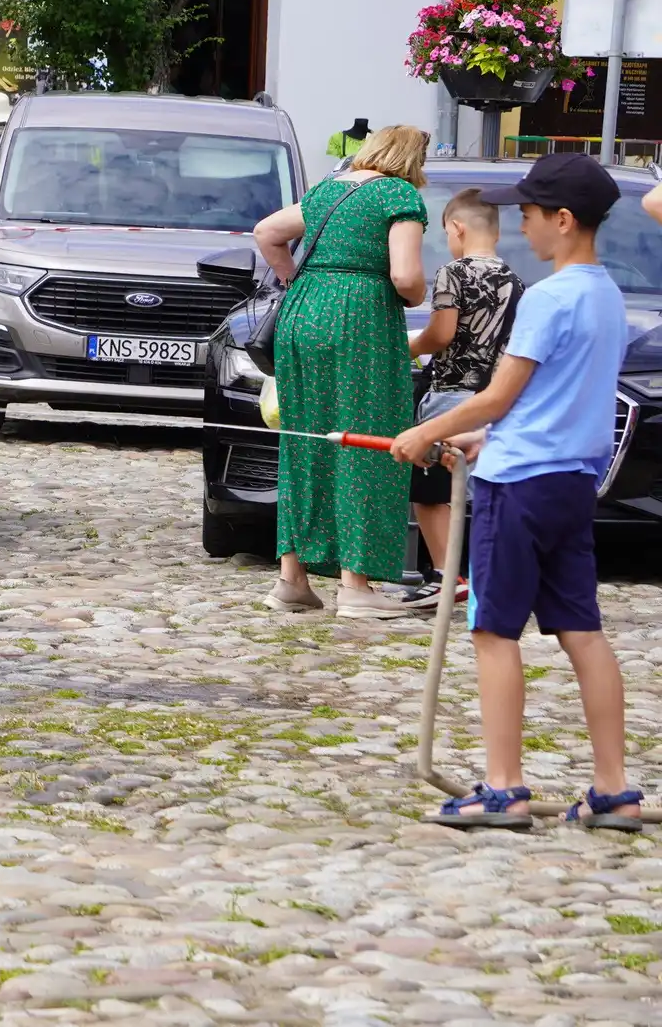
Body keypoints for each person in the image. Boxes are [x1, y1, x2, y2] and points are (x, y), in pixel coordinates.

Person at [392, 154, 639, 830]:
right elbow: (556, 399)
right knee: (582, 631)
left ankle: (504, 787)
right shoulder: (607, 294)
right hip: (569, 483)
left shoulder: (549, 296)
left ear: (563, 220)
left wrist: (428, 432)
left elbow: (501, 395)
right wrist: (482, 440)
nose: (522, 227)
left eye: (529, 215)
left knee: (494, 632)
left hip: (519, 485)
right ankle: (614, 788)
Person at [254, 124, 429, 619]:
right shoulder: (399, 195)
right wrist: (414, 298)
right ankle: (356, 585)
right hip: (360, 318)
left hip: (304, 312)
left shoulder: (329, 189)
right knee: (365, 438)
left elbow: (267, 232)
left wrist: (297, 278)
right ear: (412, 159)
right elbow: (405, 276)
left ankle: (292, 580)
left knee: (304, 440)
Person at [402, 188, 523, 606]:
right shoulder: (516, 281)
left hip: (450, 392)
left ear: (456, 228)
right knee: (479, 492)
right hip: (491, 397)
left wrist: (407, 347)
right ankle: (489, 576)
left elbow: (441, 334)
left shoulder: (454, 273)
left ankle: (446, 573)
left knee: (431, 490)